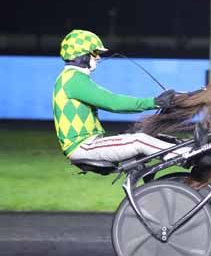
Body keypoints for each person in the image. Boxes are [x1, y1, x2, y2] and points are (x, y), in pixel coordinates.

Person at [52, 29, 190, 164]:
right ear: (81, 55)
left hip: (88, 143)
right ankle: (186, 156)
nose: (98, 57)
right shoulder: (73, 79)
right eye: (95, 53)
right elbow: (113, 102)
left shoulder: (70, 78)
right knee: (138, 140)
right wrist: (154, 102)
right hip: (83, 147)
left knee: (142, 135)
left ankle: (184, 148)